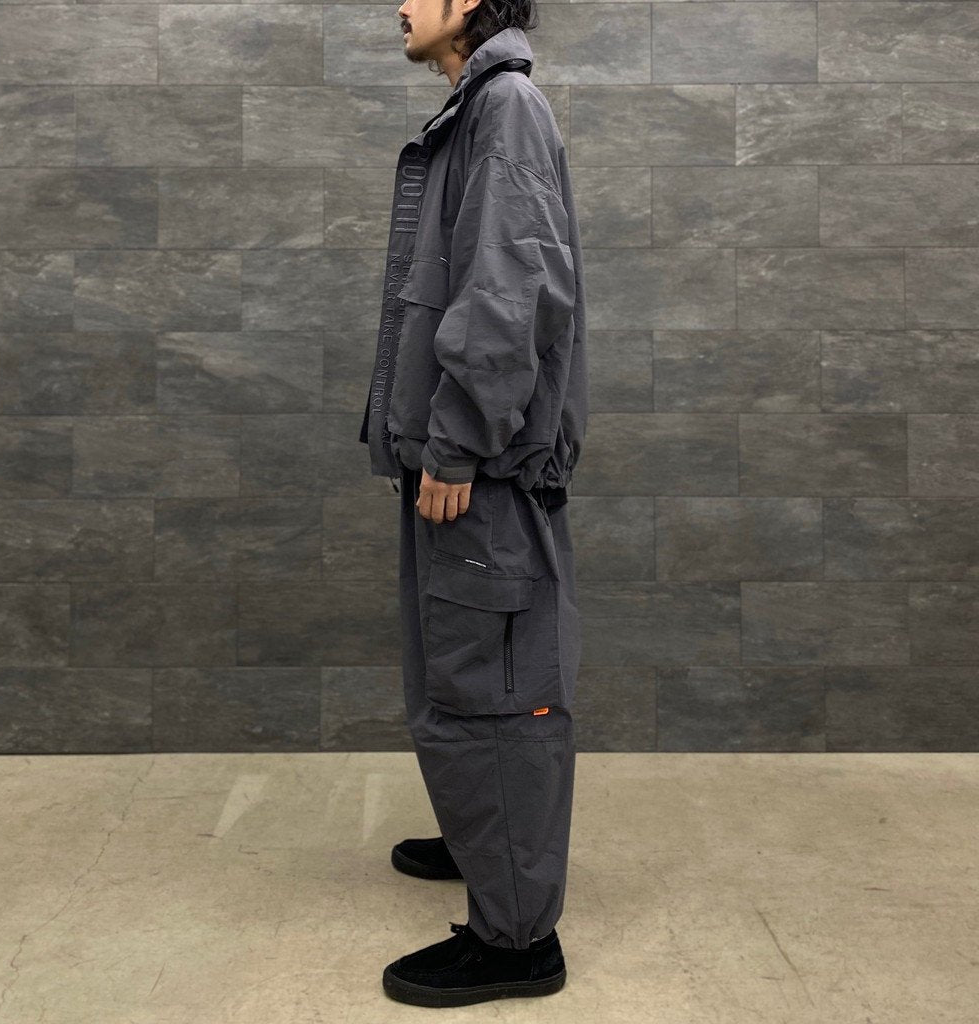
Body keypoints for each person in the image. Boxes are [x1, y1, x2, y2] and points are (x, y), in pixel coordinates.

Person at [357, 0, 588, 1007]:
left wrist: (457, 436)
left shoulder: (507, 109)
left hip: (477, 466)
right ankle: (483, 840)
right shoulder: (476, 110)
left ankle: (516, 938)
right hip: (456, 460)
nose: (400, 5)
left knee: (494, 691)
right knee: (458, 677)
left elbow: (511, 288)